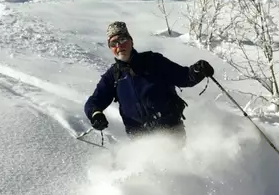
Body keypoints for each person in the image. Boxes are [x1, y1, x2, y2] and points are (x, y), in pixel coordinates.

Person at [84, 21, 215, 139]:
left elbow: (184, 77)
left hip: (171, 130)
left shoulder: (153, 61)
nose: (119, 46)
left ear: (131, 41)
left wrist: (198, 70)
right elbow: (94, 101)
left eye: (122, 39)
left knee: (174, 164)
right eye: (113, 43)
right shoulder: (113, 75)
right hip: (140, 139)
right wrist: (96, 114)